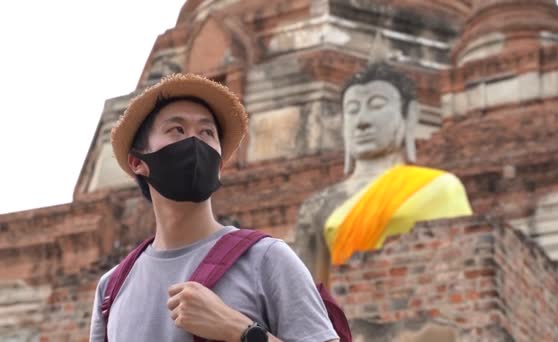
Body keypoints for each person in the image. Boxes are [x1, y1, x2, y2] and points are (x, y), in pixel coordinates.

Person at [89, 73, 339, 342]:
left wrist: (242, 331)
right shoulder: (111, 288)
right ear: (138, 162)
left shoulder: (266, 259)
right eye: (177, 130)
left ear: (219, 165)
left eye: (207, 133)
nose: (195, 143)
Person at [295, 63, 473, 283]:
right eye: (352, 110)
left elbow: (460, 267)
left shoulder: (440, 187)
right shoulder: (319, 205)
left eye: (376, 105)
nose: (362, 122)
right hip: (342, 313)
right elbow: (306, 294)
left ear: (410, 114)